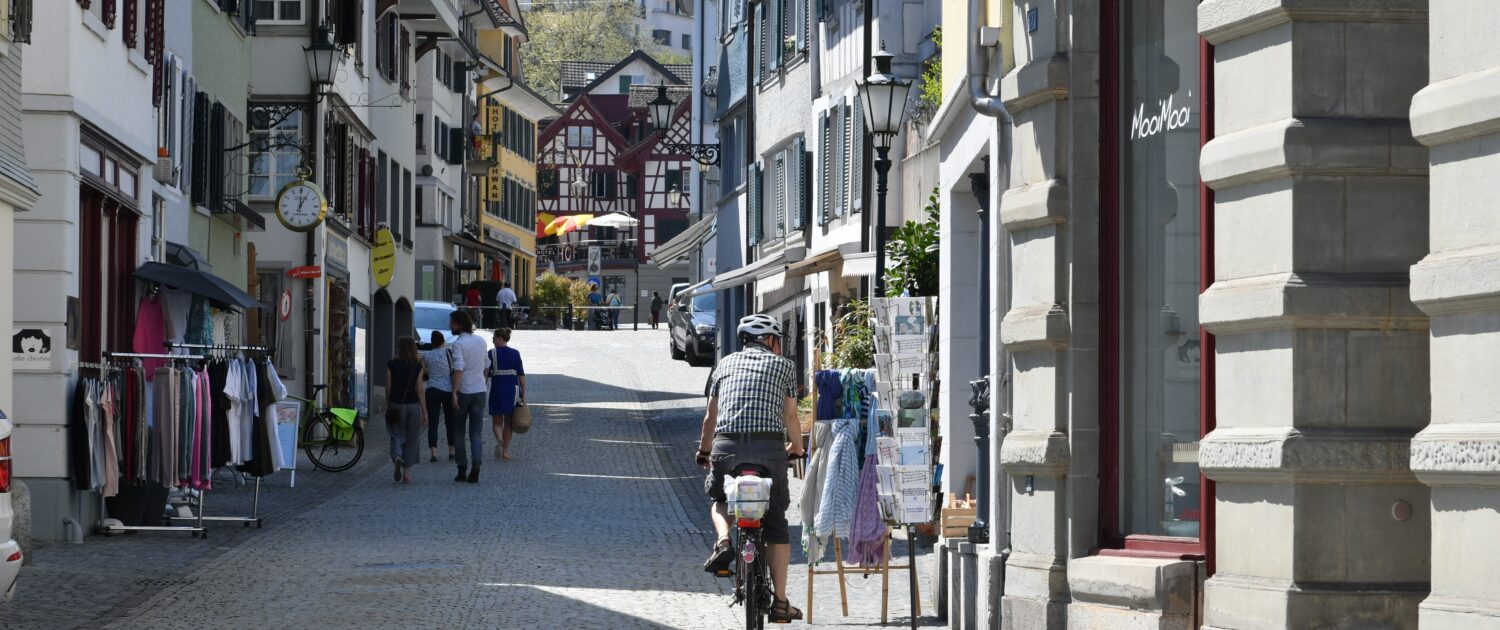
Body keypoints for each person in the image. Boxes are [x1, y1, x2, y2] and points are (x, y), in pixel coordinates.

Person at [696, 314, 804, 623]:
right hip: (769, 449)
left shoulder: (724, 365)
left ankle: (723, 540)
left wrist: (704, 451)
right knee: (775, 522)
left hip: (726, 448)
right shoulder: (784, 366)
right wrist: (796, 449)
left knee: (719, 498)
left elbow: (709, 419)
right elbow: (791, 417)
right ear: (770, 341)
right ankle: (781, 602)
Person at [448, 310, 490, 483]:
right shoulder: (481, 341)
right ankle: (477, 466)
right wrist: (483, 381)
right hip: (479, 390)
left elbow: (458, 368)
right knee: (476, 433)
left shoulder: (459, 344)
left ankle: (462, 468)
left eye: (451, 322)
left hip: (463, 391)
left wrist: (453, 392)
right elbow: (487, 365)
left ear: (459, 324)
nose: (449, 325)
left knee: (459, 432)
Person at [385, 337, 428, 484]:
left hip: (396, 404)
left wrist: (389, 403)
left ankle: (397, 456)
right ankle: (407, 472)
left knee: (396, 433)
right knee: (412, 438)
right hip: (413, 405)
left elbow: (388, 387)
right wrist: (425, 411)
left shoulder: (391, 365)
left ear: (399, 349)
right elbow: (420, 390)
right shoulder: (417, 366)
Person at [487, 328, 527, 461]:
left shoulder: (491, 353)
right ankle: (505, 451)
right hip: (513, 390)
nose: (492, 341)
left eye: (494, 338)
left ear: (499, 338)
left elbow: (485, 374)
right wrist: (524, 393)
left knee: (497, 421)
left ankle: (499, 438)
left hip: (497, 388)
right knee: (509, 422)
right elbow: (521, 375)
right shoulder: (515, 353)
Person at [421, 331, 458, 463]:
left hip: (432, 390)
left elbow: (422, 371)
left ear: (432, 342)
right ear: (443, 342)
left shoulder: (426, 355)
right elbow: (454, 369)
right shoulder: (448, 353)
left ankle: (434, 453)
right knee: (450, 421)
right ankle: (451, 450)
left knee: (433, 422)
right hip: (447, 390)